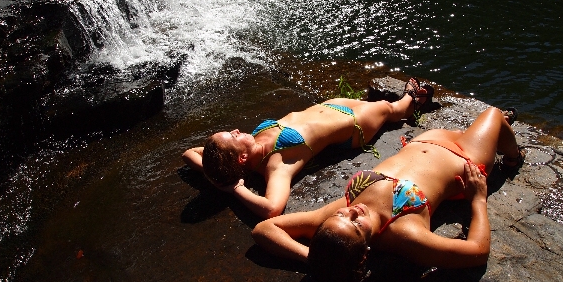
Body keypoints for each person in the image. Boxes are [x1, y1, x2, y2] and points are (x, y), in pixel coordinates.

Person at [251, 107, 525, 282]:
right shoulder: (405, 235)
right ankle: (513, 158)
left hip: (425, 141)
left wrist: (311, 258)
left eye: (340, 215)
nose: (352, 211)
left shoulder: (343, 214)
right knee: (493, 115)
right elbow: (477, 253)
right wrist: (478, 200)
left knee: (486, 123)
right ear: (364, 252)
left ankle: (497, 133)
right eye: (357, 225)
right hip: (464, 156)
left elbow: (264, 229)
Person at [182, 77, 433, 219]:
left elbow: (189, 153)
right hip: (354, 126)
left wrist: (217, 179)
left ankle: (406, 101)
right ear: (242, 158)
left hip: (331, 106)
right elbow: (272, 208)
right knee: (392, 109)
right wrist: (235, 188)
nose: (236, 130)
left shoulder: (242, 151)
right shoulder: (276, 165)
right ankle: (413, 99)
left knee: (374, 104)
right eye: (233, 136)